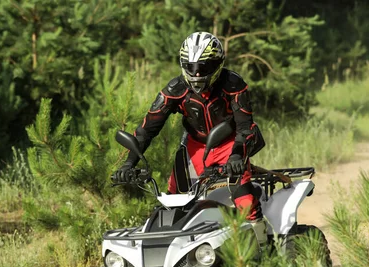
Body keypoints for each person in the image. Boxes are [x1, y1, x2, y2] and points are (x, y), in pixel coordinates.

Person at [113, 31, 265, 221]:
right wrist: (129, 164)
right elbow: (147, 129)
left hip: (231, 144)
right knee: (173, 205)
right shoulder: (174, 90)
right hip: (194, 148)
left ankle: (264, 247)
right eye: (191, 67)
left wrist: (236, 156)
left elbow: (245, 126)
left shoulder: (233, 85)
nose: (197, 73)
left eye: (204, 66)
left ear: (218, 64)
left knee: (246, 204)